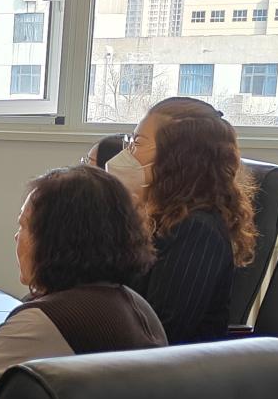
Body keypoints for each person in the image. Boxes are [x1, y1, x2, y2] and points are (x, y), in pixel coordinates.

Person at [0, 165, 166, 399]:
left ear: (57, 239)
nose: (16, 237)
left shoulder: (51, 322)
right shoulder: (134, 304)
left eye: (25, 226)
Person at [92, 96, 256, 343]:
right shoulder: (160, 217)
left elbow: (162, 333)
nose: (127, 154)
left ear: (177, 158)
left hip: (169, 365)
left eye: (137, 143)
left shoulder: (196, 230)